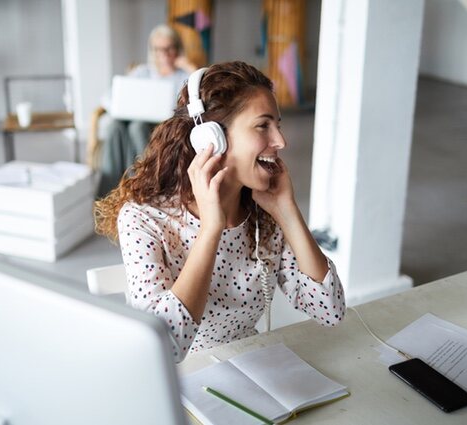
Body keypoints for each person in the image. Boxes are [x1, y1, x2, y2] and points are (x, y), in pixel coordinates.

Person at [95, 61, 345, 362]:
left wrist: (288, 212)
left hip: (250, 366)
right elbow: (165, 347)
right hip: (179, 380)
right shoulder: (142, 219)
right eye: (263, 125)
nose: (281, 141)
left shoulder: (263, 214)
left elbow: (330, 311)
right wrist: (211, 228)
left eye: (277, 125)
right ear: (212, 139)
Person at [97, 24, 197, 197]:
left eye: (169, 48)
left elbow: (205, 91)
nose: (164, 54)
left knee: (137, 127)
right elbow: (108, 98)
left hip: (165, 124)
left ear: (178, 49)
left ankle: (143, 183)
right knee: (114, 126)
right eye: (158, 49)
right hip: (134, 120)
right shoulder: (142, 72)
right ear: (152, 51)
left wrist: (189, 65)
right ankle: (108, 192)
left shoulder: (184, 76)